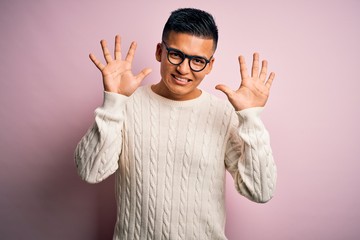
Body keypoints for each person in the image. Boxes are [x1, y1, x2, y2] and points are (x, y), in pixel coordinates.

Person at [75, 8, 277, 240]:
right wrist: (113, 101)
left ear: (210, 65)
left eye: (198, 61)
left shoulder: (223, 114)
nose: (183, 68)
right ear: (160, 51)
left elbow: (260, 191)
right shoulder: (126, 105)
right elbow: (90, 172)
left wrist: (250, 117)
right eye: (176, 55)